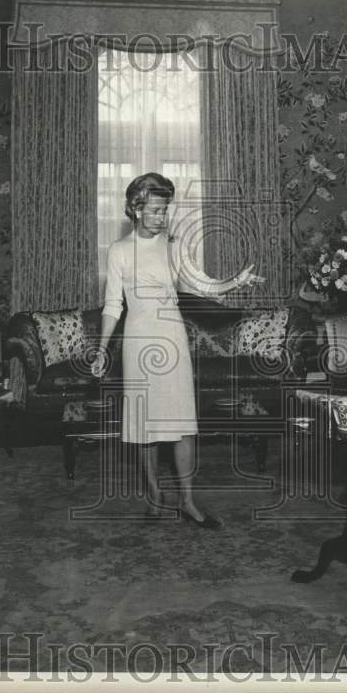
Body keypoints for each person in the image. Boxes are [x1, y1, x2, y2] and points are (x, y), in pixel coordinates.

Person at [90, 172, 264, 529]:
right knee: (144, 427)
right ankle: (154, 495)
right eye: (155, 210)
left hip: (173, 341)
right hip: (138, 345)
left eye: (165, 209)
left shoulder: (173, 246)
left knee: (184, 426)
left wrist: (235, 281)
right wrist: (101, 351)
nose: (162, 216)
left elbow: (201, 286)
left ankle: (187, 500)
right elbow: (112, 306)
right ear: (136, 209)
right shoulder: (120, 252)